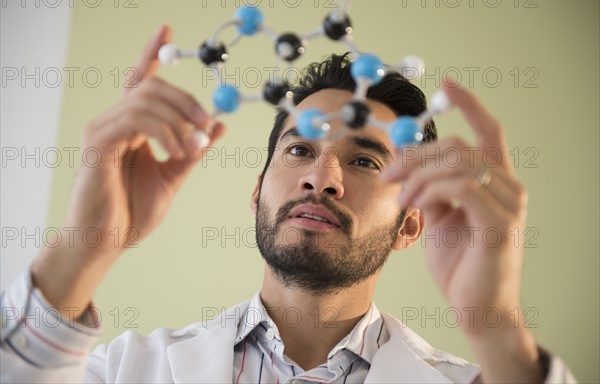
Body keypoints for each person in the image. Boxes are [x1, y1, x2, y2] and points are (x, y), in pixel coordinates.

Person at [1, 25, 576, 383]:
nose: (321, 179)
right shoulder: (126, 372)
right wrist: (81, 252)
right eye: (299, 149)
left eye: (366, 160)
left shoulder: (489, 378)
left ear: (411, 225)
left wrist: (497, 326)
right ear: (256, 192)